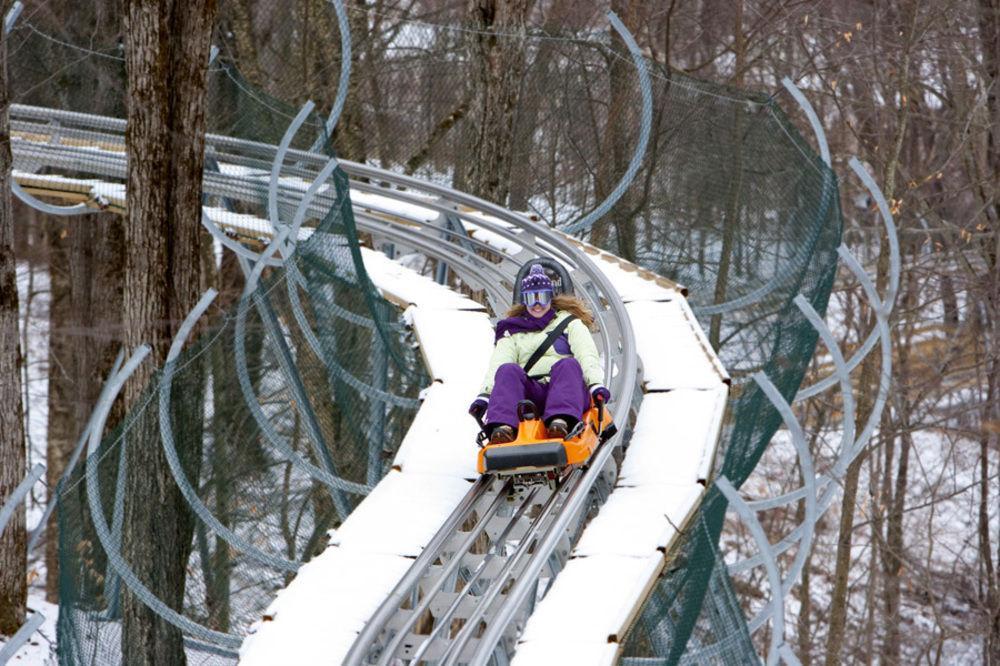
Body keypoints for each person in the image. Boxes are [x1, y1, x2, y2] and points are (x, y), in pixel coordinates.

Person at [469, 264, 612, 444]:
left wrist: (596, 385)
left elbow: (587, 355)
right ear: (524, 300)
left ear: (550, 298)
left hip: (567, 390)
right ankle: (503, 428)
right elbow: (498, 364)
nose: (537, 304)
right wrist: (484, 396)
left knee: (568, 365)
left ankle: (561, 421)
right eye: (531, 298)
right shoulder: (512, 330)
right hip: (530, 394)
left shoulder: (569, 323)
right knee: (508, 369)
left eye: (542, 297)